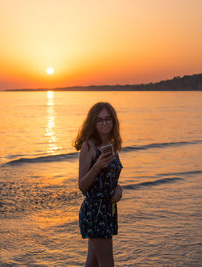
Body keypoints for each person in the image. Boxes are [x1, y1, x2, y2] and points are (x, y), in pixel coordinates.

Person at [74, 102, 123, 267]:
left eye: (108, 119)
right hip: (95, 210)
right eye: (99, 120)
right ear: (93, 123)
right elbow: (82, 185)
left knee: (93, 263)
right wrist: (97, 166)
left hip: (107, 210)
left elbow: (110, 179)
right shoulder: (89, 146)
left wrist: (118, 189)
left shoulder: (111, 145)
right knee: (107, 263)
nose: (104, 123)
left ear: (113, 121)